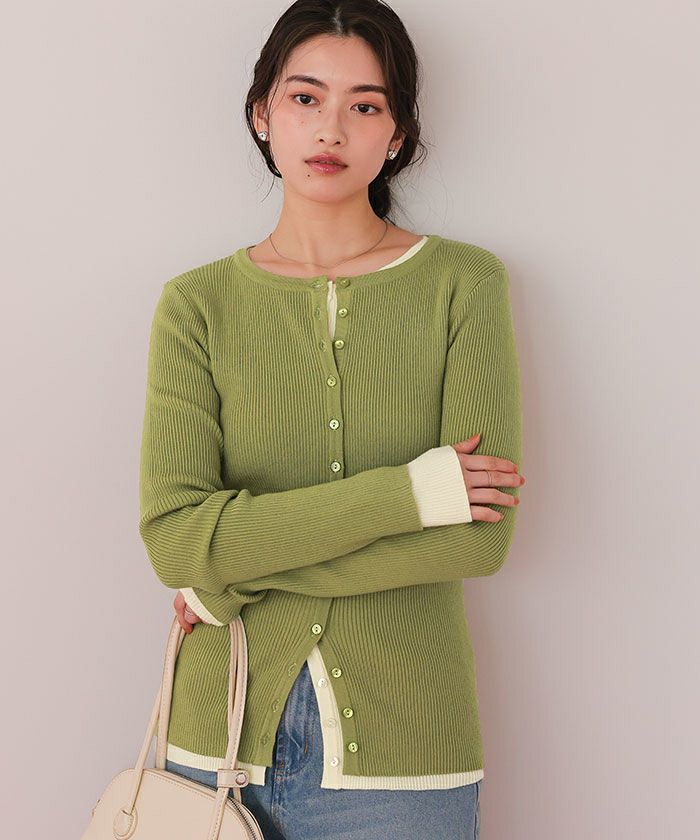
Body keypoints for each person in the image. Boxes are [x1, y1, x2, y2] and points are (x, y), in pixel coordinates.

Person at [139, 1, 525, 837]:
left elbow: (477, 539)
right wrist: (412, 494)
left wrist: (229, 574)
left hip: (407, 756)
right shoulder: (196, 305)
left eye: (366, 104)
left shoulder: (464, 284)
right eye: (305, 97)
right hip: (212, 746)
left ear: (397, 132)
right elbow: (174, 540)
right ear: (262, 113)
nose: (331, 129)